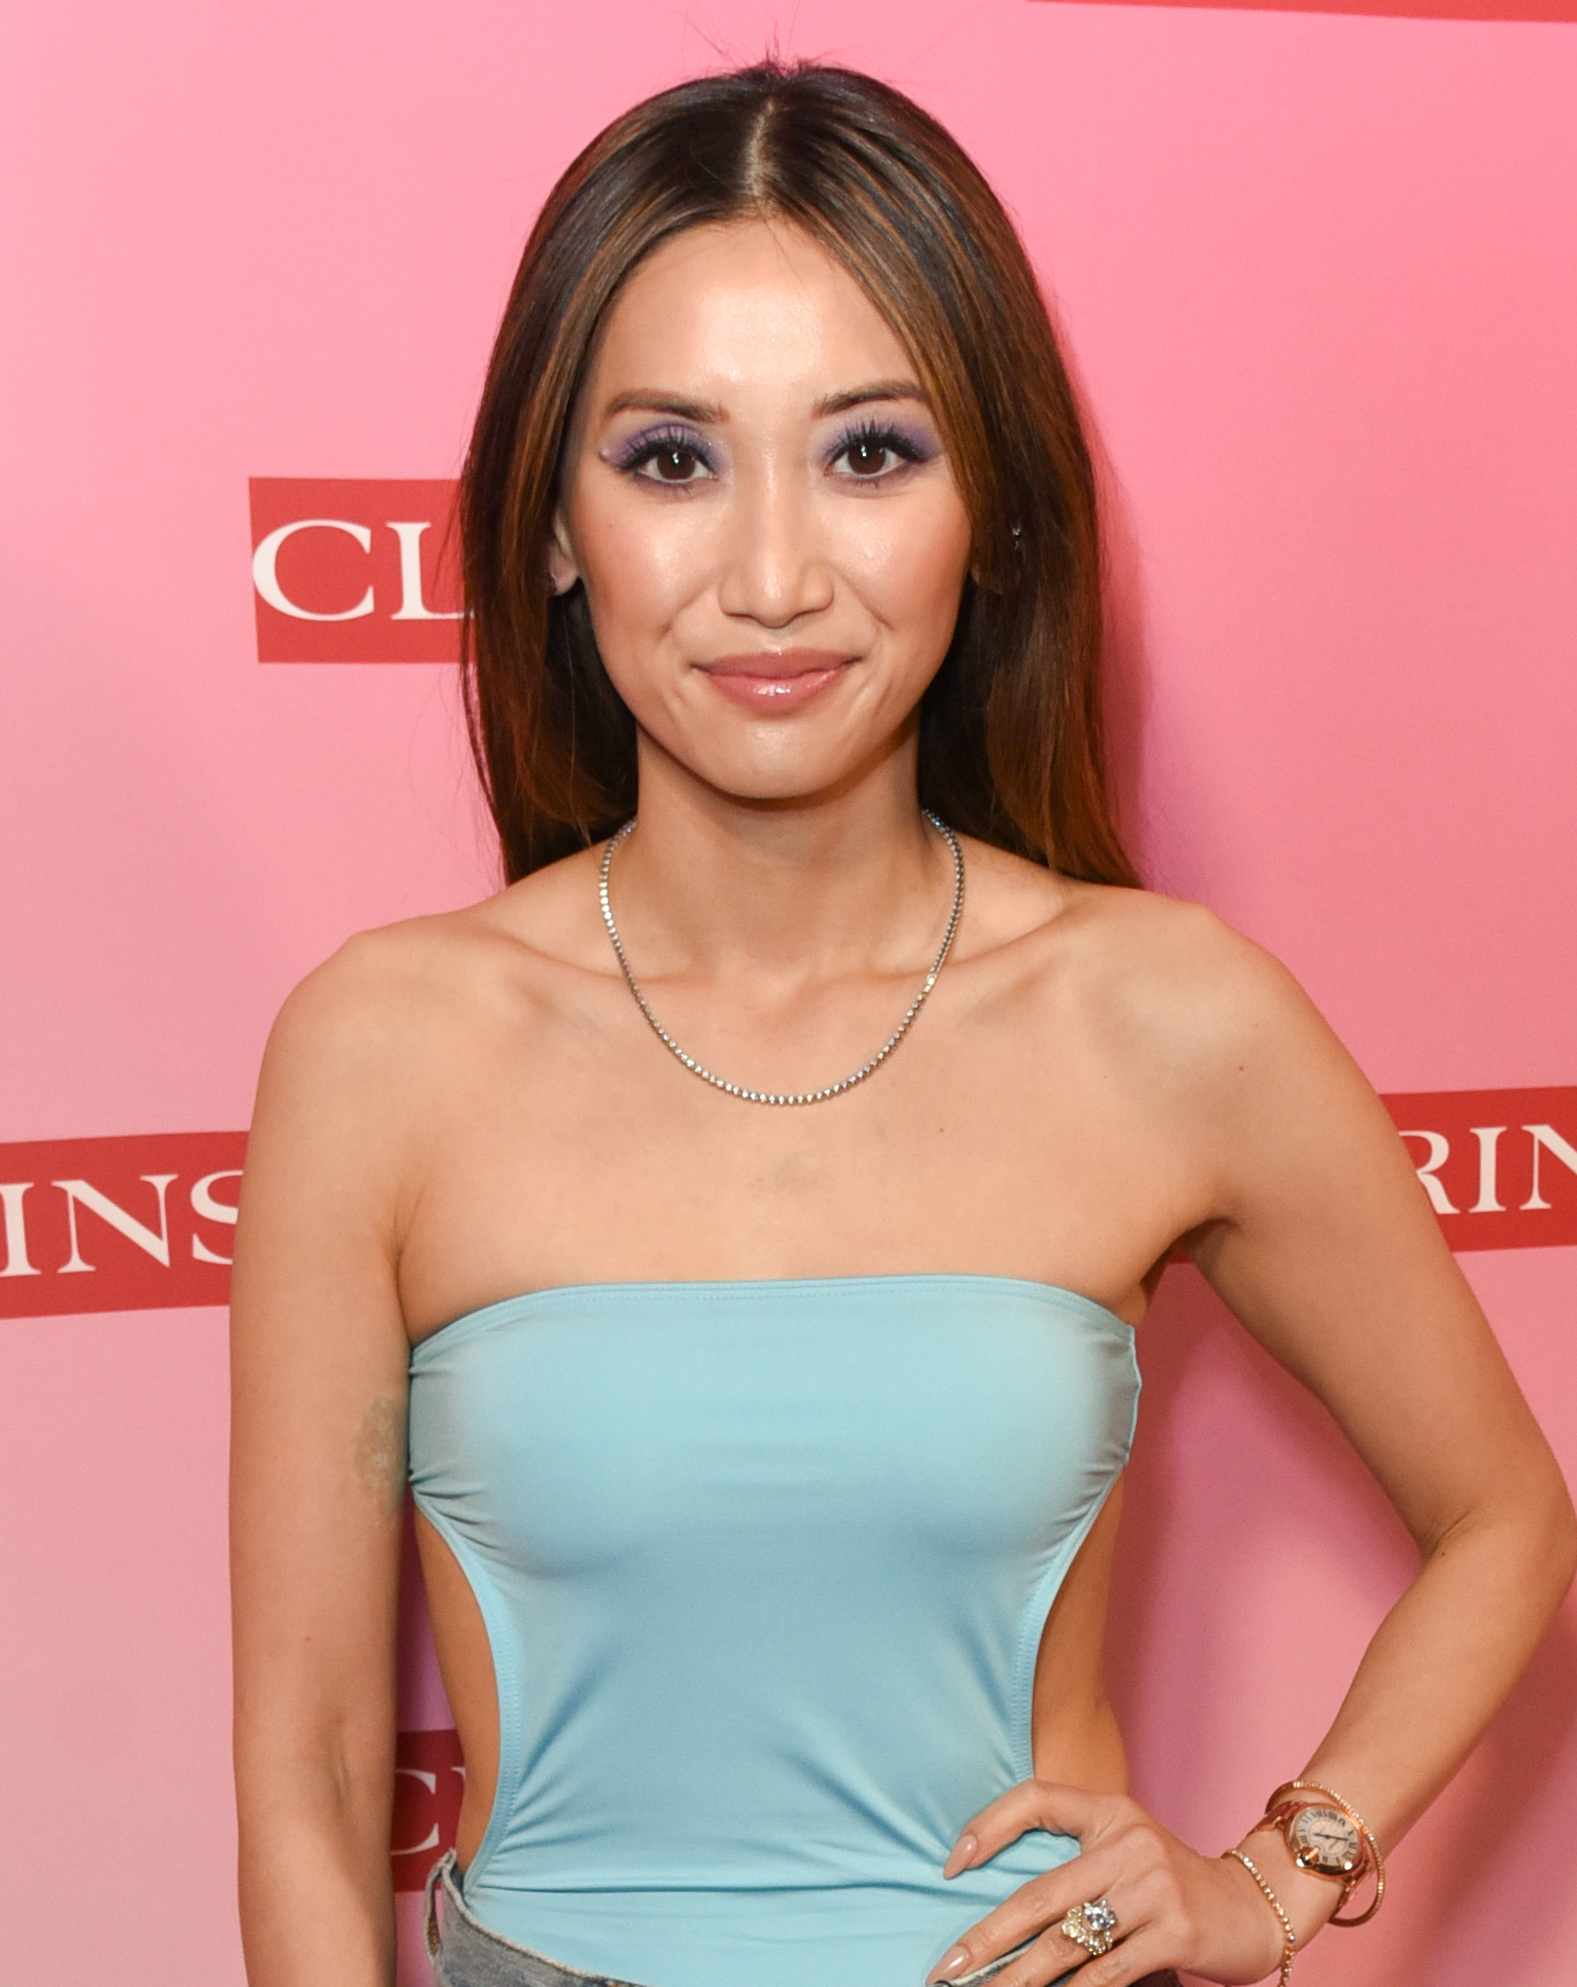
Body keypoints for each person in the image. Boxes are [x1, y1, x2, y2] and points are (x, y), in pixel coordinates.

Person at [229, 59, 1575, 1987]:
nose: (773, 578)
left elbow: (1507, 1515)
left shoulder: (1164, 1017)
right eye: (671, 460)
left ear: (990, 515)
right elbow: (306, 1772)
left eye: (869, 453)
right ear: (550, 528)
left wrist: (1278, 1878)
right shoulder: (383, 1049)